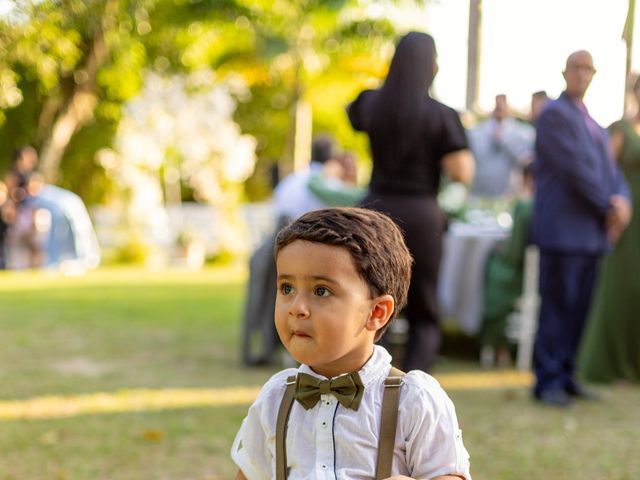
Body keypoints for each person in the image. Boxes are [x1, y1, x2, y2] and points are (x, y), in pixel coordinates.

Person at [232, 207, 472, 479]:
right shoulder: (276, 397)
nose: (297, 307)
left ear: (376, 313)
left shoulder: (413, 400)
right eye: (287, 288)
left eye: (321, 291)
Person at [347, 31, 474, 372]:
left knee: (372, 301)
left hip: (374, 211)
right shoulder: (440, 115)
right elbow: (462, 170)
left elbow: (354, 116)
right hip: (421, 215)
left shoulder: (369, 103)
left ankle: (368, 381)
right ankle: (413, 387)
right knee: (423, 311)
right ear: (432, 65)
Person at [532, 50, 632, 406]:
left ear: (594, 75)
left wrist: (622, 201)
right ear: (565, 72)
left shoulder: (594, 121)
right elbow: (575, 170)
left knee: (580, 308)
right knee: (558, 305)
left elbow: (613, 172)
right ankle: (547, 380)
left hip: (591, 234)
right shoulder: (554, 115)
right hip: (563, 230)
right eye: (576, 68)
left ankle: (568, 374)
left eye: (588, 69)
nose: (582, 74)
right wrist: (608, 205)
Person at [241, 136, 339, 366]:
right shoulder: (329, 184)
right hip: (306, 244)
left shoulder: (292, 180)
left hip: (274, 240)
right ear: (331, 158)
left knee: (270, 297)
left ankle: (260, 348)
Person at [578, 74, 640, 384]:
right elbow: (607, 171)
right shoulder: (620, 129)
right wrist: (612, 214)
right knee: (622, 287)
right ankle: (611, 363)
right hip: (628, 218)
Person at [479, 163, 535, 365]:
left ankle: (493, 344)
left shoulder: (525, 205)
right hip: (529, 270)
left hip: (516, 272)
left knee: (488, 267)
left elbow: (513, 252)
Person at [469, 94, 535, 199]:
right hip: (480, 193)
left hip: (510, 195)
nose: (500, 107)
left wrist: (506, 141)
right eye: (497, 104)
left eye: (503, 103)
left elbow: (527, 162)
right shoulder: (476, 132)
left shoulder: (524, 133)